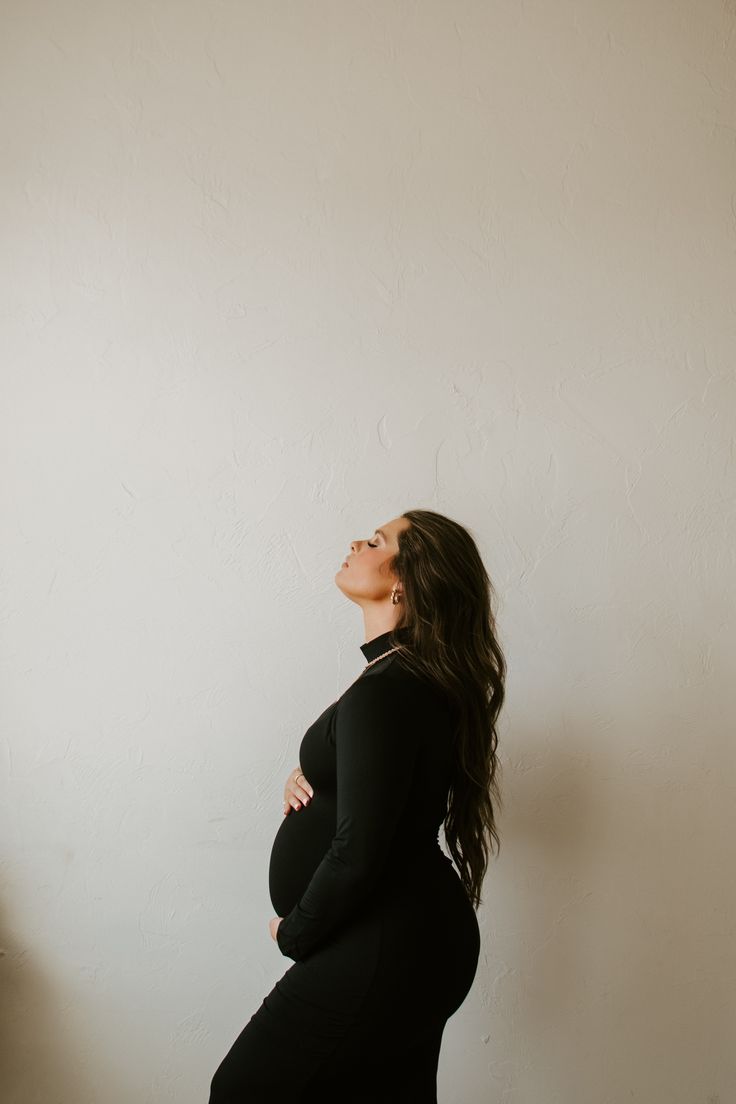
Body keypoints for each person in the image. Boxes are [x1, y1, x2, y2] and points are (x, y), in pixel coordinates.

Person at [208, 508, 506, 1103]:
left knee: (242, 1092)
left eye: (375, 541)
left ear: (405, 582)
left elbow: (359, 851)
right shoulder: (404, 679)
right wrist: (319, 776)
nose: (355, 542)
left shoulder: (392, 688)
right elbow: (390, 793)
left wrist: (294, 934)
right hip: (411, 941)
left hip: (386, 944)